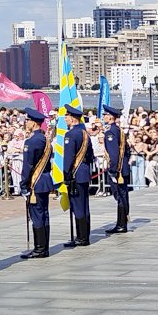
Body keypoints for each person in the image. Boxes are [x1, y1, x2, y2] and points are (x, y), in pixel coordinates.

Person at [19, 108, 54, 259]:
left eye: (27, 120)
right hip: (44, 180)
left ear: (33, 123)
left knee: (37, 215)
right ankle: (44, 247)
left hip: (35, 182)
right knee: (44, 214)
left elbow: (27, 166)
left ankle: (39, 249)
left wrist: (23, 184)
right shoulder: (45, 139)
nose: (26, 123)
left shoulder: (31, 141)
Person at [62, 104, 94, 248]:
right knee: (84, 205)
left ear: (73, 119)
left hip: (75, 173)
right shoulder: (84, 133)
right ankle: (84, 234)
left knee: (77, 206)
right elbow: (91, 155)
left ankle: (81, 237)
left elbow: (68, 158)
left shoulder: (71, 134)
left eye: (67, 116)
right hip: (84, 171)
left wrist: (66, 175)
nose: (65, 118)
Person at [102, 105, 130, 234]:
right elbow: (127, 151)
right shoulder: (119, 130)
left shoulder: (111, 132)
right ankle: (122, 222)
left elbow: (113, 154)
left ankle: (121, 224)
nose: (104, 117)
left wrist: (113, 170)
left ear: (110, 116)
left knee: (119, 196)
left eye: (105, 115)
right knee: (123, 195)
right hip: (123, 168)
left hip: (117, 170)